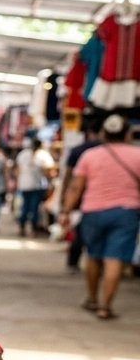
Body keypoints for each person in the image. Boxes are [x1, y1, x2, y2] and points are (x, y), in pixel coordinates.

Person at [61, 114, 140, 320]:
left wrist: (65, 211)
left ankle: (92, 299)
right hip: (126, 212)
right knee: (114, 259)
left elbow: (76, 187)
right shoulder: (137, 155)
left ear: (104, 133)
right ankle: (105, 307)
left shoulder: (90, 155)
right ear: (127, 133)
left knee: (94, 256)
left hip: (93, 211)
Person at [62, 125, 101, 271]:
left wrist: (65, 201)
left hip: (85, 198)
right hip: (106, 200)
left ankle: (74, 260)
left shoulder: (78, 151)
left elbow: (70, 177)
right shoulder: (113, 151)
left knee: (80, 229)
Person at [14, 137, 55, 236]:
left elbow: (18, 170)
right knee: (33, 208)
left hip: (26, 185)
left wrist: (18, 182)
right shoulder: (43, 155)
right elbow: (48, 170)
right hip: (36, 186)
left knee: (26, 206)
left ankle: (23, 227)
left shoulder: (23, 154)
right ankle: (32, 228)